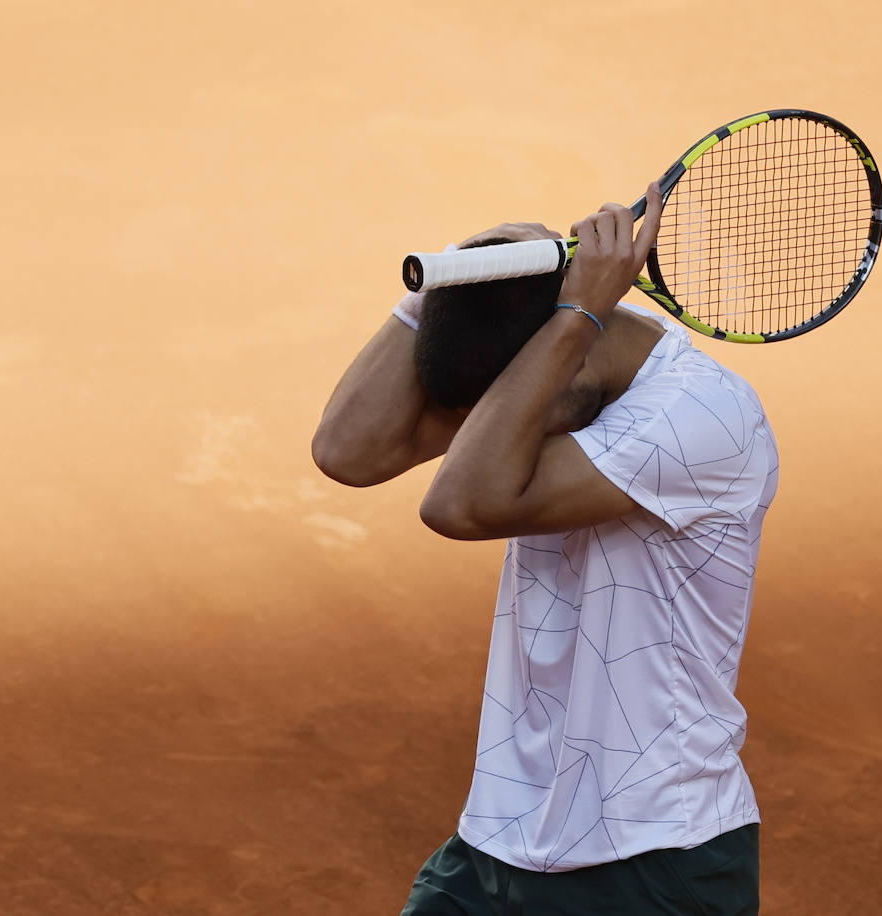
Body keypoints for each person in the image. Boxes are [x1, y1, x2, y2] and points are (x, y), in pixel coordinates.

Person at [312, 183, 778, 915]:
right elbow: (348, 449)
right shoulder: (568, 370)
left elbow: (458, 503)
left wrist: (577, 313)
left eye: (513, 404)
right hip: (498, 841)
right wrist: (462, 271)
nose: (491, 430)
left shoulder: (705, 414)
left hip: (653, 862)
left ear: (576, 355)